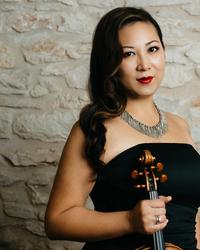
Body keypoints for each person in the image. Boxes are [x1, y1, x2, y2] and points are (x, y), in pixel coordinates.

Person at [45, 7, 200, 250]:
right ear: (111, 63)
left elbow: (192, 216)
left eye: (152, 49)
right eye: (128, 54)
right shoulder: (94, 129)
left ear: (163, 51)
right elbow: (57, 221)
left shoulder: (180, 125)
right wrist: (128, 220)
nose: (144, 64)